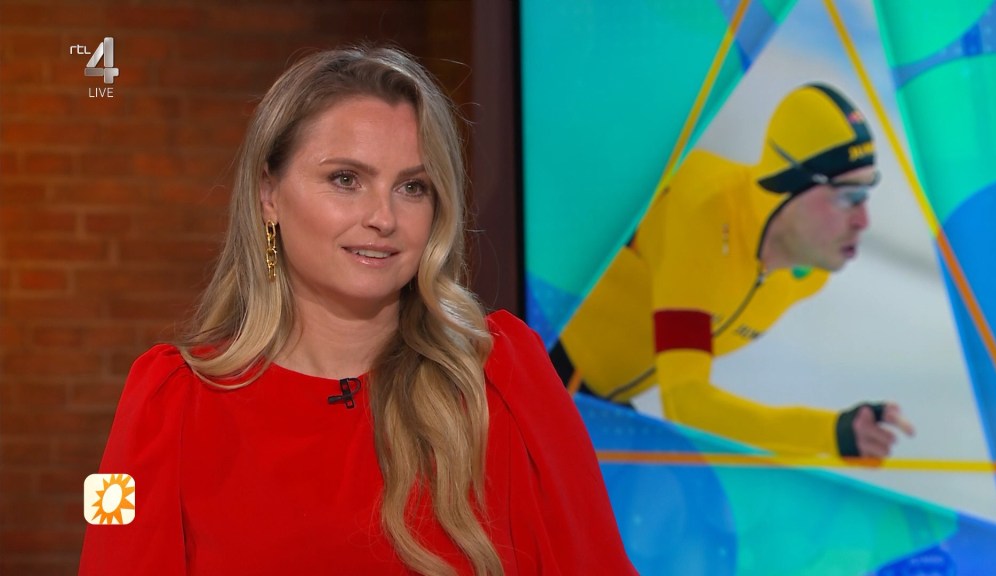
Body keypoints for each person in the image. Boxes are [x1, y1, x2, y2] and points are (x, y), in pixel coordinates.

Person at [80, 46, 637, 576]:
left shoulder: (507, 379)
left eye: (412, 187)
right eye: (346, 180)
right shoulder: (165, 402)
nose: (383, 218)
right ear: (269, 194)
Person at [552, 83, 914, 459]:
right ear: (792, 182)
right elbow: (685, 403)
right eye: (848, 197)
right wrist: (828, 434)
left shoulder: (808, 273)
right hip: (537, 356)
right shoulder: (704, 213)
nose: (863, 220)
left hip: (593, 402)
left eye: (866, 196)